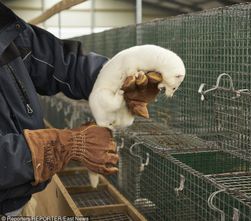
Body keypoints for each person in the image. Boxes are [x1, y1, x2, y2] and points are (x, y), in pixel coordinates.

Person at [0, 2, 160, 215]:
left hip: (20, 200)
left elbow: (62, 61)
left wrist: (117, 79)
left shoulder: (6, 27)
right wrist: (66, 145)